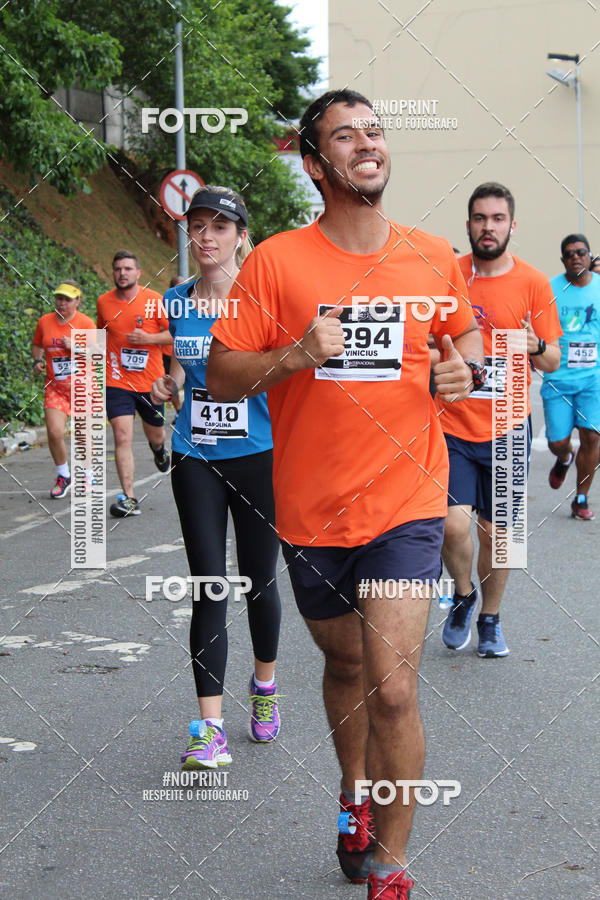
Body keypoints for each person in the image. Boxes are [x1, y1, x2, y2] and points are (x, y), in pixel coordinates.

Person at [206, 90, 483, 900]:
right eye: (345, 134)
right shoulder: (277, 263)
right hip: (313, 508)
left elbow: (459, 333)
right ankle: (352, 794)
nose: (368, 143)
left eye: (376, 130)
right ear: (315, 161)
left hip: (407, 502)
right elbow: (221, 377)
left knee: (394, 685)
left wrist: (459, 364)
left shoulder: (432, 255)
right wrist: (292, 356)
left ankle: (390, 872)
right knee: (344, 660)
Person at [151, 186, 281, 771]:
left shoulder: (263, 304)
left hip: (258, 454)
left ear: (241, 237)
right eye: (197, 226)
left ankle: (265, 687)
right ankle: (210, 727)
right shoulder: (176, 302)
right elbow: (180, 365)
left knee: (258, 581)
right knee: (208, 584)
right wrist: (169, 384)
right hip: (196, 454)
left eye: (219, 227)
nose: (205, 236)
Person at [437, 182, 562, 659]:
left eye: (497, 219)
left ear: (512, 225)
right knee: (452, 527)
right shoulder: (449, 275)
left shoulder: (534, 284)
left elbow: (553, 359)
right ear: (468, 225)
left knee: (500, 538)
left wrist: (534, 347)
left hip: (509, 425)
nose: (488, 227)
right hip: (452, 423)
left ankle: (489, 618)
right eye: (480, 218)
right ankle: (462, 594)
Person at [97, 251, 172, 517]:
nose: (122, 273)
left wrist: (149, 339)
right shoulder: (103, 302)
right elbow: (102, 335)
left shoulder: (154, 301)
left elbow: (173, 336)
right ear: (113, 272)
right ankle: (129, 497)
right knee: (121, 435)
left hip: (150, 383)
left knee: (157, 434)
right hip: (117, 380)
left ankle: (159, 450)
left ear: (138, 273)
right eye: (118, 269)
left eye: (128, 268)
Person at [542, 233, 600, 519]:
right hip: (558, 380)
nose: (576, 256)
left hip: (593, 379)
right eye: (569, 253)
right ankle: (564, 457)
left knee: (591, 437)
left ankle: (581, 499)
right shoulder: (549, 289)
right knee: (557, 442)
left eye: (581, 252)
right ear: (563, 260)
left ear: (589, 256)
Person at [32, 281, 96, 498]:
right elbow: (37, 344)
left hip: (82, 387)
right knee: (54, 432)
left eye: (67, 299)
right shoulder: (45, 322)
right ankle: (64, 475)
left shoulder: (85, 323)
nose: (62, 303)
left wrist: (75, 347)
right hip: (55, 387)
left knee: (82, 434)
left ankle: (88, 475)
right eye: (59, 298)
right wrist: (37, 361)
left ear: (78, 301)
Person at [163, 276, 185, 419]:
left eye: (183, 286)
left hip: (186, 351)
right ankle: (179, 411)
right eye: (177, 287)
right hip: (167, 353)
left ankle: (183, 412)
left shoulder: (194, 304)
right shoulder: (166, 305)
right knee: (172, 384)